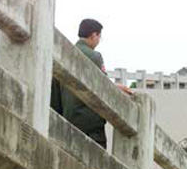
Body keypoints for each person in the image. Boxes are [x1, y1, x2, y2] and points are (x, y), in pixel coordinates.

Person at [51, 18, 132, 149]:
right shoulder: (95, 57)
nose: (99, 41)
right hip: (91, 128)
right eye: (99, 37)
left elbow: (55, 93)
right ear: (94, 35)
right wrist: (120, 88)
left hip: (66, 123)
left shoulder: (63, 54)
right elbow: (105, 87)